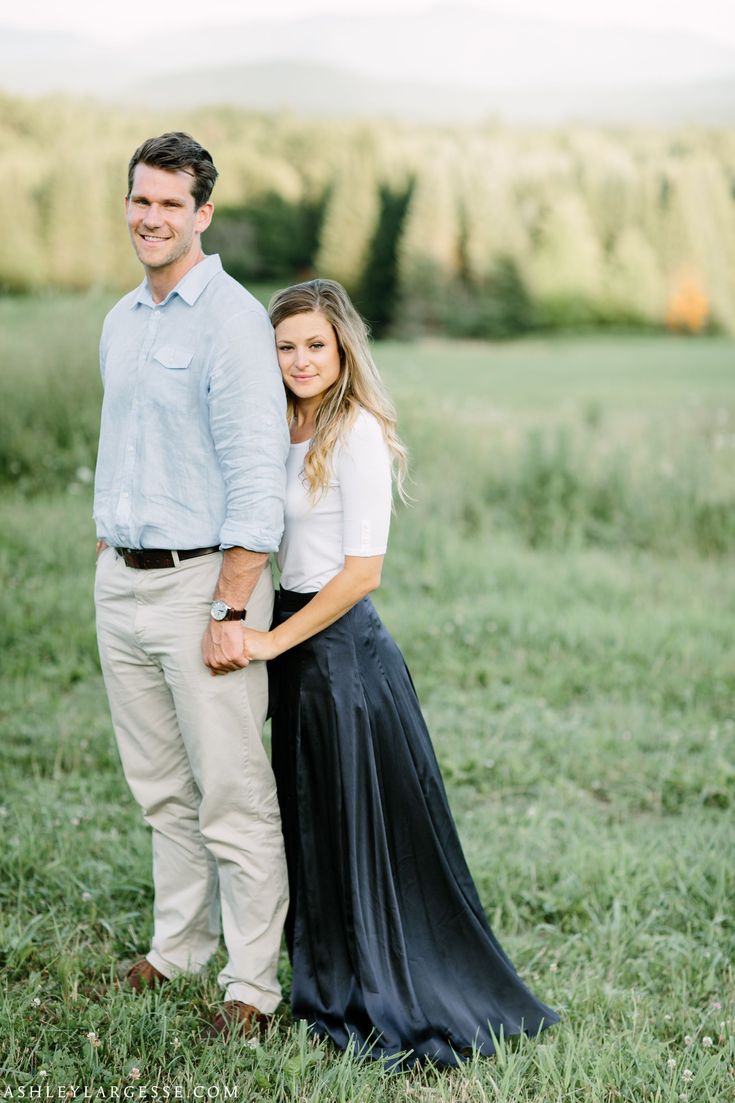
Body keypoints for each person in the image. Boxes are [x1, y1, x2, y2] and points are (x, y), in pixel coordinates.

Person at [241, 279, 559, 1067]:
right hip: (294, 645)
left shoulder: (355, 432)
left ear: (343, 345)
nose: (301, 359)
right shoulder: (280, 424)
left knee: (357, 827)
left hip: (341, 652)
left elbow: (361, 573)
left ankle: (379, 985)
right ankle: (323, 979)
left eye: (315, 343)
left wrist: (274, 644)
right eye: (286, 345)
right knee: (308, 820)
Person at [93, 132, 290, 1036]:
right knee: (160, 788)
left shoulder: (233, 320)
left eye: (172, 203)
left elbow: (257, 480)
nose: (152, 217)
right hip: (122, 584)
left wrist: (228, 605)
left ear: (203, 214)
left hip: (203, 586)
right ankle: (178, 948)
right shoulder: (122, 319)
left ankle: (250, 987)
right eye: (142, 199)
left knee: (232, 794)